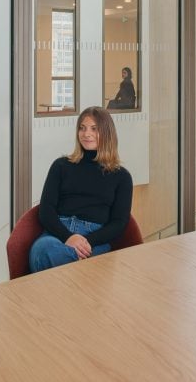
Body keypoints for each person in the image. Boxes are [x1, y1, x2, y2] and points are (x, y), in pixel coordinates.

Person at [30, 106, 133, 272]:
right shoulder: (61, 166)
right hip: (57, 234)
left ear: (107, 133)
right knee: (43, 251)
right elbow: (46, 210)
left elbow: (119, 223)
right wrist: (68, 237)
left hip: (94, 239)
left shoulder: (122, 176)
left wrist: (86, 241)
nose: (86, 134)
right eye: (82, 128)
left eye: (94, 129)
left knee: (58, 258)